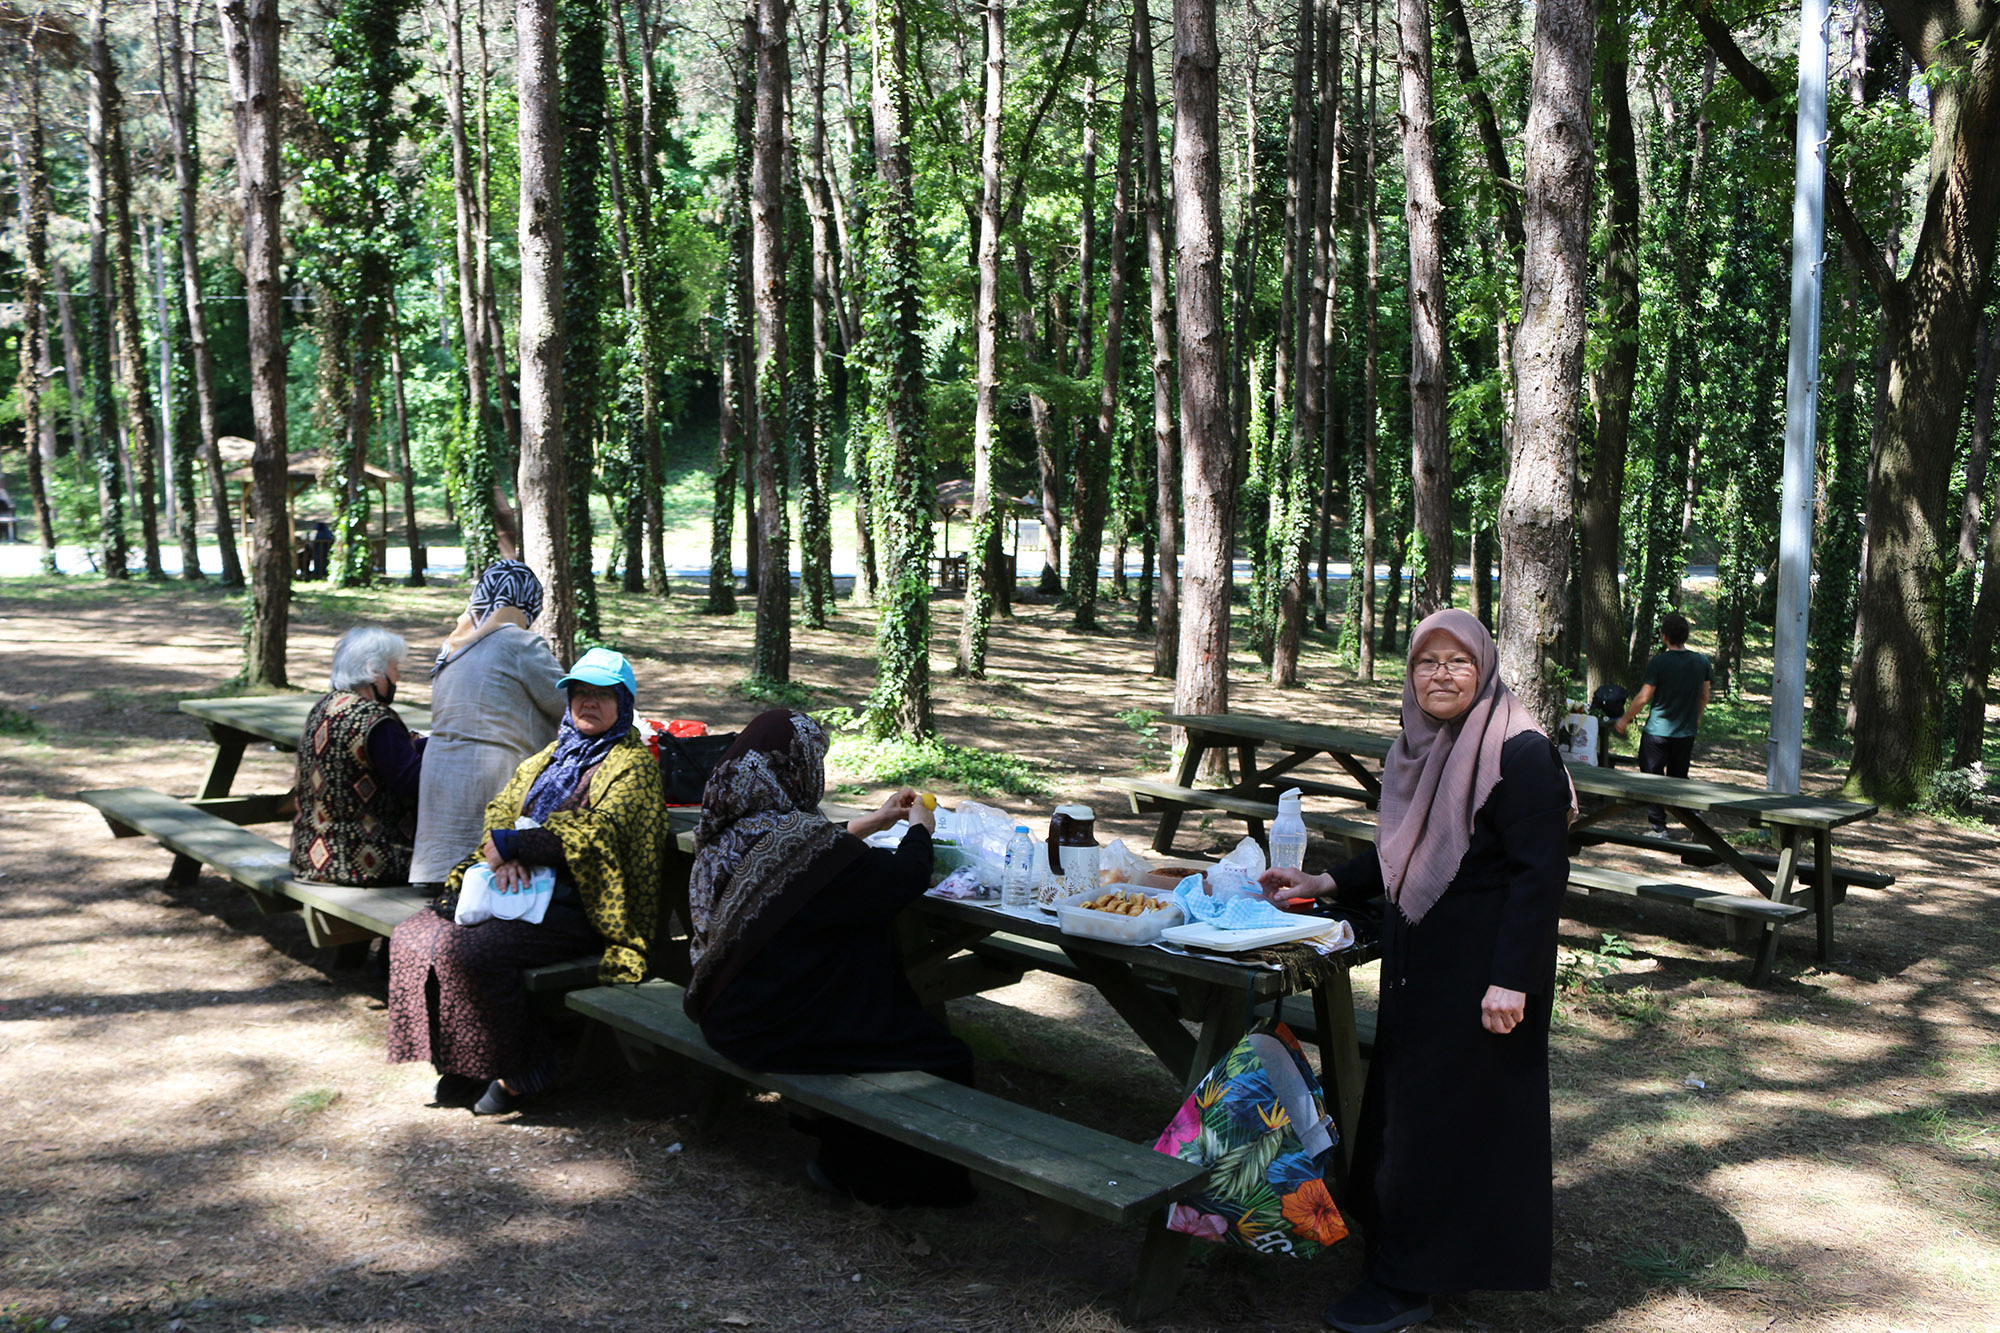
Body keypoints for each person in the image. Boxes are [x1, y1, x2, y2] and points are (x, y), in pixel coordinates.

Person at [1259, 609, 1573, 1333]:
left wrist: (1512, 980)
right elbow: (1405, 852)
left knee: (1448, 1126)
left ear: (1485, 668)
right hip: (1420, 968)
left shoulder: (1520, 753)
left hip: (1482, 979)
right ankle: (1406, 1246)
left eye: (1457, 660)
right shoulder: (1423, 745)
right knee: (1411, 1115)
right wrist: (1327, 883)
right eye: (1426, 661)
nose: (1440, 674)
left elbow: (1539, 878)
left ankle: (1410, 1281)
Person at [684, 709, 975, 1207]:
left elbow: (803, 856)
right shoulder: (799, 840)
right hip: (767, 1028)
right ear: (794, 768)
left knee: (867, 989)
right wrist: (919, 830)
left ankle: (841, 1148)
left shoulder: (727, 829)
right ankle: (874, 1177)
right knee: (941, 1055)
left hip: (724, 1010)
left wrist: (875, 821)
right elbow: (895, 883)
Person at [386, 647, 665, 1116]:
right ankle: (464, 1062)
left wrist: (523, 845)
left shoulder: (632, 766)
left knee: (471, 952)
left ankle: (525, 1070)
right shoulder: (553, 754)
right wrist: (504, 851)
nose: (587, 704)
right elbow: (502, 807)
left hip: (583, 905)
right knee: (413, 938)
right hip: (518, 891)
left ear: (624, 704)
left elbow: (606, 830)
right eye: (579, 694)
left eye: (601, 695)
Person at [408, 560, 568, 888]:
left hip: (439, 775)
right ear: (528, 604)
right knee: (482, 880)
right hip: (492, 776)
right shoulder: (519, 643)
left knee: (445, 875)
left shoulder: (452, 645)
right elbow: (567, 703)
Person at [291, 626, 424, 887]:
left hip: (310, 854)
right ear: (374, 671)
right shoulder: (377, 720)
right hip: (368, 862)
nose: (398, 677)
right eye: (395, 668)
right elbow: (415, 783)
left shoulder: (324, 707)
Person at [1614, 610, 1713, 836]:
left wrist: (1625, 719)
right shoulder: (1701, 662)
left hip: (1657, 732)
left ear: (1665, 636)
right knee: (1679, 780)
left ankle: (1659, 827)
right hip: (1685, 733)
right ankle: (1692, 822)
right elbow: (1704, 696)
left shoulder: (1659, 662)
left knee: (1651, 779)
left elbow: (1644, 697)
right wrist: (1696, 719)